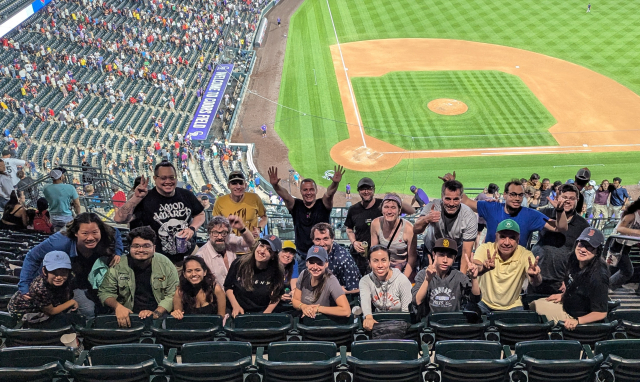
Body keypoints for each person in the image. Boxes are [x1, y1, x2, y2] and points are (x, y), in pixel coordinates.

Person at [19, 213, 124, 319]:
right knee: (88, 311)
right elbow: (32, 256)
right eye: (85, 233)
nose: (90, 237)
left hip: (85, 275)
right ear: (75, 233)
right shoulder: (59, 242)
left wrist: (118, 252)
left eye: (95, 232)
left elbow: (116, 233)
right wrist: (24, 285)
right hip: (63, 281)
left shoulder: (107, 233)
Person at [113, 162, 205, 266]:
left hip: (190, 256)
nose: (168, 181)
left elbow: (200, 214)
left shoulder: (186, 194)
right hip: (160, 262)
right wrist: (136, 198)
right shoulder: (146, 199)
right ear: (155, 178)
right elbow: (119, 219)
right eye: (163, 178)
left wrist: (192, 228)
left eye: (172, 177)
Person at [268, 165, 345, 272]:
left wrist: (335, 183)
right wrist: (276, 186)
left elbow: (329, 194)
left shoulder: (322, 204)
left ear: (316, 190)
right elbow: (285, 195)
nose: (308, 193)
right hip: (301, 255)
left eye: (311, 189)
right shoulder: (296, 205)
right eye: (305, 190)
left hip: (322, 254)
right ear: (301, 191)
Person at [99, 226, 179, 328]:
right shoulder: (118, 265)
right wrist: (118, 307)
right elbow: (105, 292)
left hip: (159, 315)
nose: (141, 250)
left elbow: (172, 293)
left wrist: (156, 313)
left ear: (154, 248)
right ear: (129, 248)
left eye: (146, 246)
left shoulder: (165, 263)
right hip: (127, 315)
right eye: (136, 246)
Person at [533, 228, 609, 329]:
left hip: (576, 318)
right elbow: (575, 285)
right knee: (533, 305)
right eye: (581, 244)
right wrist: (563, 296)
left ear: (598, 251)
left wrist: (577, 321)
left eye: (589, 247)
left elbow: (601, 313)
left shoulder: (599, 277)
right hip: (567, 305)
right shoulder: (573, 259)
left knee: (540, 324)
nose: (582, 250)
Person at [460, 177, 568, 246]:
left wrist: (560, 210)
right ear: (505, 194)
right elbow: (465, 201)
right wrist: (451, 184)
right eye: (513, 194)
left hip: (515, 270)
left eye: (520, 195)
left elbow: (560, 227)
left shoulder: (530, 215)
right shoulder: (492, 207)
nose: (517, 198)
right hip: (490, 266)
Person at [527, 184, 590, 295]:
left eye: (572, 198)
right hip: (536, 275)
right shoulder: (544, 214)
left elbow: (583, 256)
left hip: (561, 282)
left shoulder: (582, 224)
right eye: (564, 197)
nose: (568, 201)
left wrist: (571, 279)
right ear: (556, 197)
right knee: (532, 308)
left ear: (577, 200)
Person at [345, 177, 415, 276]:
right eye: (362, 189)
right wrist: (354, 242)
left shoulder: (384, 204)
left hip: (382, 260)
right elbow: (349, 229)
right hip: (361, 256)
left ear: (373, 190)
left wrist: (395, 200)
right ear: (358, 191)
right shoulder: (353, 209)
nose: (366, 192)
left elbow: (412, 211)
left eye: (369, 188)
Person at [472, 220, 542, 314]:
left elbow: (535, 282)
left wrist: (535, 276)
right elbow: (476, 267)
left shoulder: (526, 255)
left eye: (512, 238)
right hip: (484, 303)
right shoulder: (485, 249)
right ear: (496, 237)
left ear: (518, 239)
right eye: (503, 237)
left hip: (512, 306)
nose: (507, 242)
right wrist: (483, 268)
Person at [414, 181, 477, 273]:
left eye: (456, 199)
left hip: (454, 255)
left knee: (453, 284)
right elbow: (416, 229)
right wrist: (426, 219)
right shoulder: (433, 206)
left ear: (461, 198)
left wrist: (461, 279)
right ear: (441, 196)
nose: (451, 204)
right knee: (427, 283)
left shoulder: (469, 216)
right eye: (447, 199)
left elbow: (466, 252)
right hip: (432, 251)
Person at [8, 251, 81, 328]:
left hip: (46, 306)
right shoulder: (39, 287)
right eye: (54, 273)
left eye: (63, 273)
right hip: (24, 313)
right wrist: (72, 302)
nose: (59, 277)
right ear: (45, 272)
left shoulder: (69, 278)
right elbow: (51, 311)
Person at [412, 238, 481, 316]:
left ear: (454, 258)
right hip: (429, 324)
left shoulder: (459, 276)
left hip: (452, 323)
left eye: (449, 256)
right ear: (434, 255)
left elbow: (475, 299)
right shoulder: (423, 274)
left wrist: (474, 278)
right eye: (441, 255)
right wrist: (427, 279)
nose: (445, 260)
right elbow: (417, 301)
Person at [224, 236, 284, 317]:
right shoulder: (239, 263)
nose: (262, 251)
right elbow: (228, 286)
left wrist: (266, 314)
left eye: (268, 250)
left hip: (261, 312)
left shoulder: (277, 271)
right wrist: (235, 306)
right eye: (261, 246)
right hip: (238, 312)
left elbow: (277, 295)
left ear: (273, 256)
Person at [359, 246, 413, 331]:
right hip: (378, 325)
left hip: (399, 326)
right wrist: (368, 317)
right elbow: (365, 302)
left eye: (383, 260)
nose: (380, 265)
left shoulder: (402, 280)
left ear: (389, 262)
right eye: (375, 261)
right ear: (369, 263)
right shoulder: (365, 281)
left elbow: (406, 314)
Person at [292, 245, 351, 318]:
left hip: (322, 322)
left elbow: (346, 311)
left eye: (319, 263)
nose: (315, 267)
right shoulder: (304, 274)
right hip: (304, 321)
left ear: (326, 264)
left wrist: (318, 309)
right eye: (312, 262)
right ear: (307, 263)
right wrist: (304, 307)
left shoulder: (331, 280)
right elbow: (295, 300)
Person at [195, 215, 255, 287]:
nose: (220, 237)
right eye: (215, 233)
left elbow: (251, 243)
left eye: (224, 233)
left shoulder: (230, 240)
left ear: (229, 233)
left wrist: (242, 228)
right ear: (209, 234)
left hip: (235, 292)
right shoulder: (201, 255)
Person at [370, 194, 417, 279]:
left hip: (402, 269)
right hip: (383, 267)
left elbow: (412, 258)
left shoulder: (409, 229)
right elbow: (374, 253)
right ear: (382, 209)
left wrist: (402, 279)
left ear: (399, 211)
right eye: (386, 207)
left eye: (393, 207)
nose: (389, 211)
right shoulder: (375, 224)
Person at [212, 171, 267, 240]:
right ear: (228, 186)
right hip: (230, 246)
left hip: (252, 245)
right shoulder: (220, 201)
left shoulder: (254, 198)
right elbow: (215, 222)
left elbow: (264, 217)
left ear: (245, 185)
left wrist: (259, 229)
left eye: (241, 183)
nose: (238, 186)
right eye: (234, 183)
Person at [311, 222, 361, 293]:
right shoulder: (313, 252)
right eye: (318, 239)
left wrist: (338, 291)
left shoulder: (343, 258)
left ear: (332, 238)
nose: (322, 243)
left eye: (325, 239)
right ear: (313, 240)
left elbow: (356, 288)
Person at [608, 199, 640, 290]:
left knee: (612, 270)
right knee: (627, 271)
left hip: (626, 247)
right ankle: (607, 288)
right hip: (617, 245)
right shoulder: (632, 215)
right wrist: (637, 232)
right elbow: (619, 228)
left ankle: (606, 289)